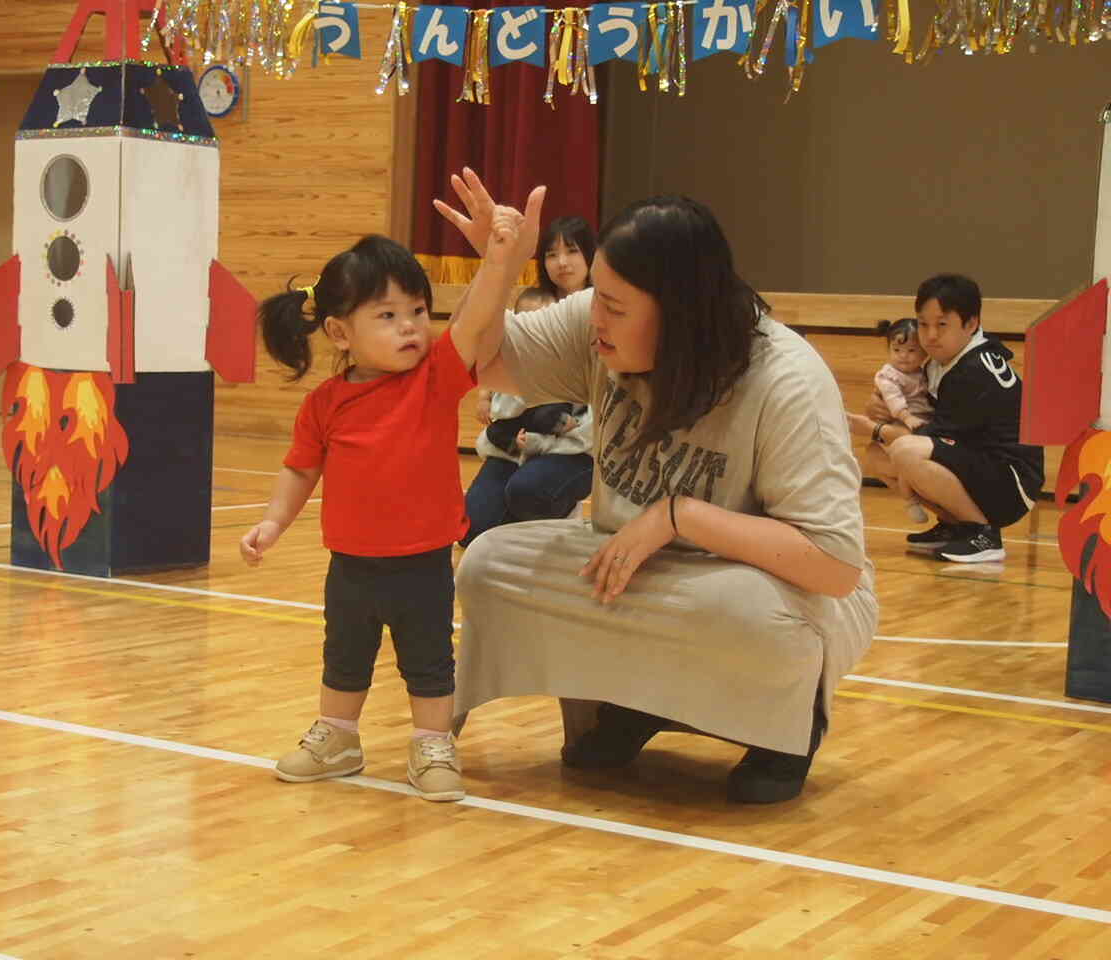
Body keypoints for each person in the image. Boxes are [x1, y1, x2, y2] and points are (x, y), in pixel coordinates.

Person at [433, 170, 877, 804]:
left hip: (758, 587)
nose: (597, 321)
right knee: (489, 564)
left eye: (616, 307)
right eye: (599, 300)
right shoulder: (597, 319)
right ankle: (631, 704)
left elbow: (836, 567)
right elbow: (471, 362)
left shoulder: (788, 380)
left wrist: (678, 516)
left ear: (683, 312)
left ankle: (785, 731)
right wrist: (499, 268)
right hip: (636, 571)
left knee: (744, 614)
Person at [239, 192, 543, 802]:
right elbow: (301, 471)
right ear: (338, 332)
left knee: (429, 658)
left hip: (422, 561)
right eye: (387, 315)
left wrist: (498, 261)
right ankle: (338, 735)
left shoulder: (436, 376)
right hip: (349, 562)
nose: (410, 326)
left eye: (418, 310)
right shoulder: (324, 404)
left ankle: (432, 744)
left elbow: (478, 317)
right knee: (344, 652)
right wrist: (273, 522)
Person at [847, 275, 1044, 564]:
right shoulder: (947, 360)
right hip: (982, 464)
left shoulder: (973, 369)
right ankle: (956, 526)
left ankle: (983, 534)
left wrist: (874, 427)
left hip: (1011, 483)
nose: (930, 335)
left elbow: (926, 438)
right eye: (923, 324)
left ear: (971, 323)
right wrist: (881, 407)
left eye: (942, 324)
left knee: (905, 451)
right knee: (877, 456)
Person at [462, 284, 595, 546]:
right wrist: (485, 395)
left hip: (565, 451)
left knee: (528, 492)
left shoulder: (576, 345)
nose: (562, 262)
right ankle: (510, 512)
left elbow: (566, 422)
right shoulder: (517, 356)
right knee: (471, 529)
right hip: (513, 448)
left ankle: (556, 510)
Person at [869, 318, 934, 523]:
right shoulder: (888, 375)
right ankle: (910, 501)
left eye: (911, 350)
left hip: (922, 422)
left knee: (908, 466)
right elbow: (893, 399)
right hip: (901, 422)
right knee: (902, 462)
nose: (903, 356)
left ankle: (914, 497)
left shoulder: (924, 372)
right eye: (897, 350)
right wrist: (907, 417)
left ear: (924, 351)